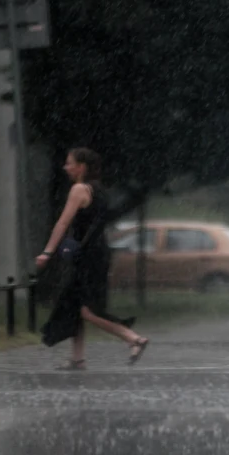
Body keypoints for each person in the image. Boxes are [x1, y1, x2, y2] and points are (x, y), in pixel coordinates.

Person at [37, 148, 149, 369]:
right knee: (74, 303)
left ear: (81, 167)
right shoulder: (99, 190)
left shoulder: (79, 189)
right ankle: (77, 359)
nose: (65, 167)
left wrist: (47, 252)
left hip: (88, 257)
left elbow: (63, 223)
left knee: (88, 310)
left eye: (69, 163)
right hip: (98, 253)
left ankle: (134, 339)